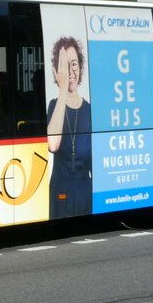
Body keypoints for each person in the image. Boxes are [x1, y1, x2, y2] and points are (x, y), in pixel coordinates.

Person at [46, 35, 92, 219]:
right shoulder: (54, 106)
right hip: (60, 193)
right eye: (64, 66)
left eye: (74, 64)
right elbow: (52, 145)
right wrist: (63, 88)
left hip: (85, 194)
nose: (70, 71)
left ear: (80, 67)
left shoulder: (90, 110)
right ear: (57, 71)